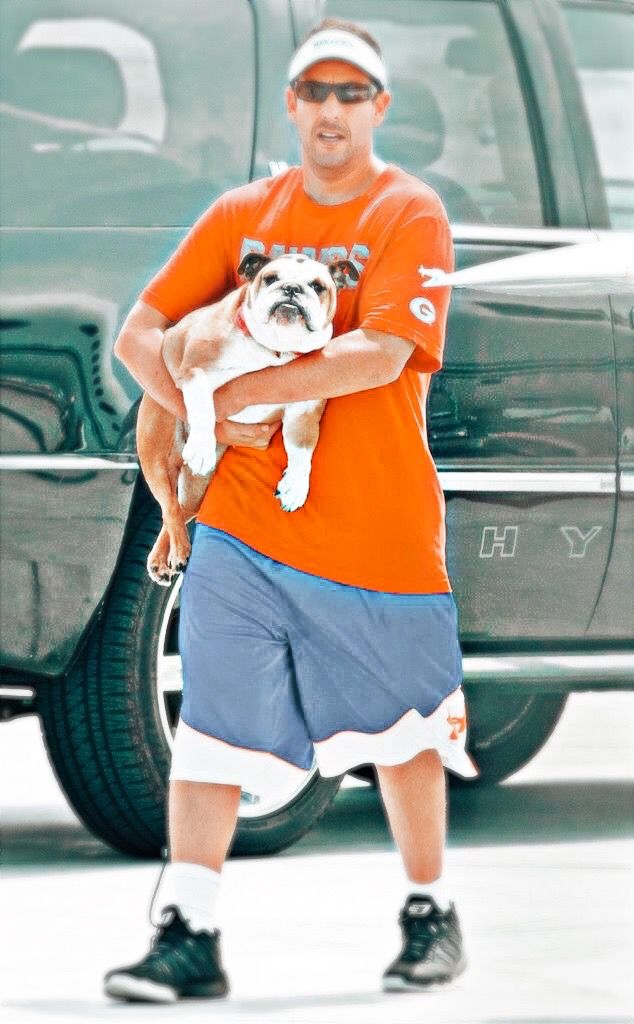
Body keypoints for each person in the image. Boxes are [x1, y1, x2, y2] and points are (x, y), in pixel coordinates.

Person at [103, 17, 479, 1004]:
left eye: (352, 94)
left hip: (377, 525)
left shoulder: (410, 212)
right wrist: (191, 402)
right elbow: (141, 331)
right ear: (293, 105)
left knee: (403, 735)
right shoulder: (240, 216)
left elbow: (383, 354)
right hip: (243, 524)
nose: (331, 110)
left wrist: (237, 397)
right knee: (213, 731)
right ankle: (188, 931)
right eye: (316, 92)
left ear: (378, 109)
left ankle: (428, 910)